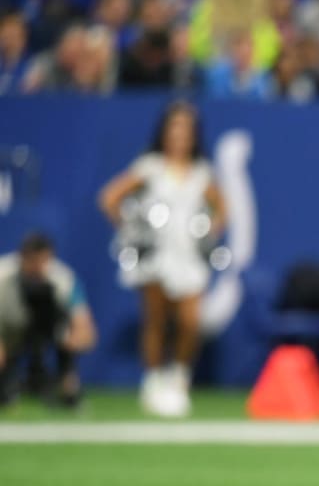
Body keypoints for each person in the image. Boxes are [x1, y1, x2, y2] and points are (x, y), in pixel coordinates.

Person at [99, 101, 226, 417]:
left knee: (189, 322)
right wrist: (132, 231)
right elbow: (110, 197)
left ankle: (179, 379)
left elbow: (222, 208)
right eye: (175, 127)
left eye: (186, 128)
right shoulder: (150, 166)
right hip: (156, 255)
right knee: (155, 320)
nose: (180, 135)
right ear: (164, 131)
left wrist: (207, 233)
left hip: (189, 257)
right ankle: (153, 380)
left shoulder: (201, 172)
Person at [0, 232, 96, 407]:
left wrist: (76, 340)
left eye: (45, 261)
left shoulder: (62, 278)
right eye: (35, 262)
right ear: (23, 257)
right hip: (9, 333)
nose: (40, 268)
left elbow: (84, 327)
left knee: (66, 334)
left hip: (48, 331)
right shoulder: (3, 275)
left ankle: (67, 387)